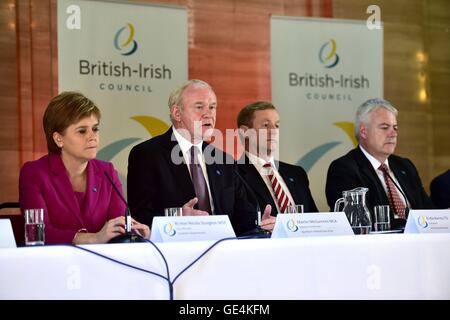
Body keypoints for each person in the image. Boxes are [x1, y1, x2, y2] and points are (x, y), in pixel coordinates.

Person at [127, 79, 274, 236]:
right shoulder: (146, 154)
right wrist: (176, 218)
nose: (209, 114)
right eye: (199, 107)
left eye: (212, 107)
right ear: (177, 113)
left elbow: (241, 216)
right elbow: (139, 218)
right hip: (175, 254)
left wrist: (259, 222)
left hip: (222, 253)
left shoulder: (224, 160)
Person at [19, 92, 150, 244]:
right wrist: (93, 238)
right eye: (82, 131)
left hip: (102, 264)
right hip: (53, 264)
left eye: (95, 129)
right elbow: (38, 234)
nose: (92, 137)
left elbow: (118, 224)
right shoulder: (34, 173)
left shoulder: (107, 171)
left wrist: (134, 231)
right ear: (58, 138)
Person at [325, 98, 434, 229]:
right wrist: (412, 225)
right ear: (364, 131)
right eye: (384, 127)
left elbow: (428, 212)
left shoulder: (405, 166)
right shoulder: (344, 169)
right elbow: (359, 221)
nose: (393, 134)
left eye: (395, 128)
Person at [236, 101, 318, 215]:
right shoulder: (233, 175)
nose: (274, 131)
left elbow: (313, 218)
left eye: (277, 125)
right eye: (266, 125)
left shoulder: (297, 174)